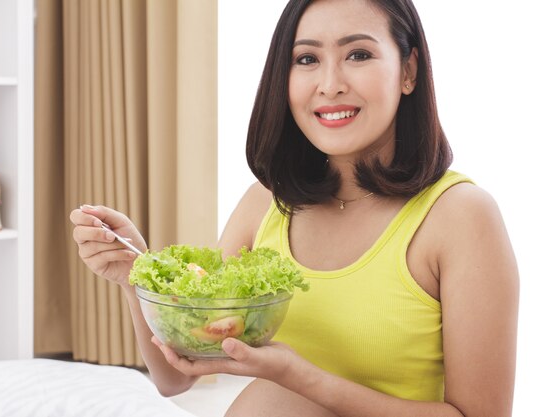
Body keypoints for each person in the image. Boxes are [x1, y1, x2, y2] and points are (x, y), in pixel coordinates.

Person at [70, 0, 519, 415]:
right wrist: (137, 279)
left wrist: (299, 379)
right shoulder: (265, 203)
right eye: (306, 59)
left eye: (358, 55)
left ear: (409, 71)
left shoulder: (460, 216)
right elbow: (176, 376)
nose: (330, 85)